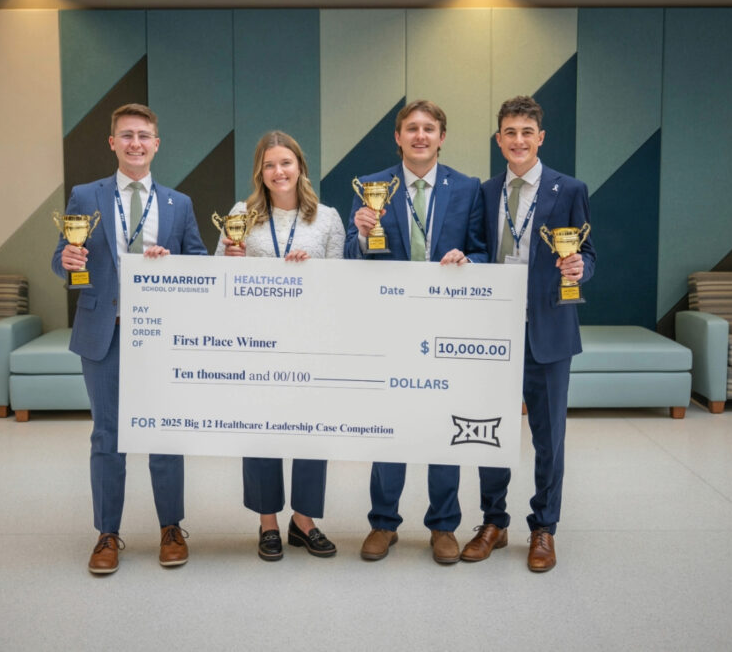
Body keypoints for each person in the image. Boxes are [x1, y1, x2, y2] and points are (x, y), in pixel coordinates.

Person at [52, 102, 208, 575]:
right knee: (107, 436)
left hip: (162, 338)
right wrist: (68, 263)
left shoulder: (179, 203)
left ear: (156, 144)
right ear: (112, 143)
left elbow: (199, 262)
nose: (135, 143)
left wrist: (174, 263)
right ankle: (107, 533)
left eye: (144, 135)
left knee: (165, 435)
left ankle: (171, 528)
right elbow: (61, 255)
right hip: (105, 332)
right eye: (126, 135)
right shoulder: (85, 195)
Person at [345, 99, 487, 564]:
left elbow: (484, 253)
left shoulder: (467, 188)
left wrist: (468, 260)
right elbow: (350, 257)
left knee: (442, 426)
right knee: (390, 427)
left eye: (429, 128)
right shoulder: (370, 186)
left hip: (448, 329)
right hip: (389, 328)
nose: (420, 136)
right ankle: (383, 523)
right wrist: (364, 234)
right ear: (398, 136)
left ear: (442, 137)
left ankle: (443, 525)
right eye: (412, 128)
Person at [465, 95, 595, 572]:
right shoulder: (484, 191)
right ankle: (493, 522)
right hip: (493, 334)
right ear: (499, 140)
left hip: (549, 333)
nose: (518, 140)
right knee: (489, 434)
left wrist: (581, 267)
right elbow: (478, 248)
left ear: (540, 138)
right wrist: (466, 259)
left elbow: (590, 253)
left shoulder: (570, 189)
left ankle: (544, 528)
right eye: (509, 132)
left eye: (526, 132)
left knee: (549, 438)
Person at [216, 130, 344, 561]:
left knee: (312, 431)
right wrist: (229, 262)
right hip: (255, 339)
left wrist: (311, 273)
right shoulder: (242, 213)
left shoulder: (326, 218)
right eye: (269, 165)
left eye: (285, 163)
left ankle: (304, 521)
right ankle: (267, 521)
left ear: (300, 167)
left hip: (310, 340)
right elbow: (216, 276)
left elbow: (340, 285)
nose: (278, 171)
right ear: (260, 172)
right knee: (260, 431)